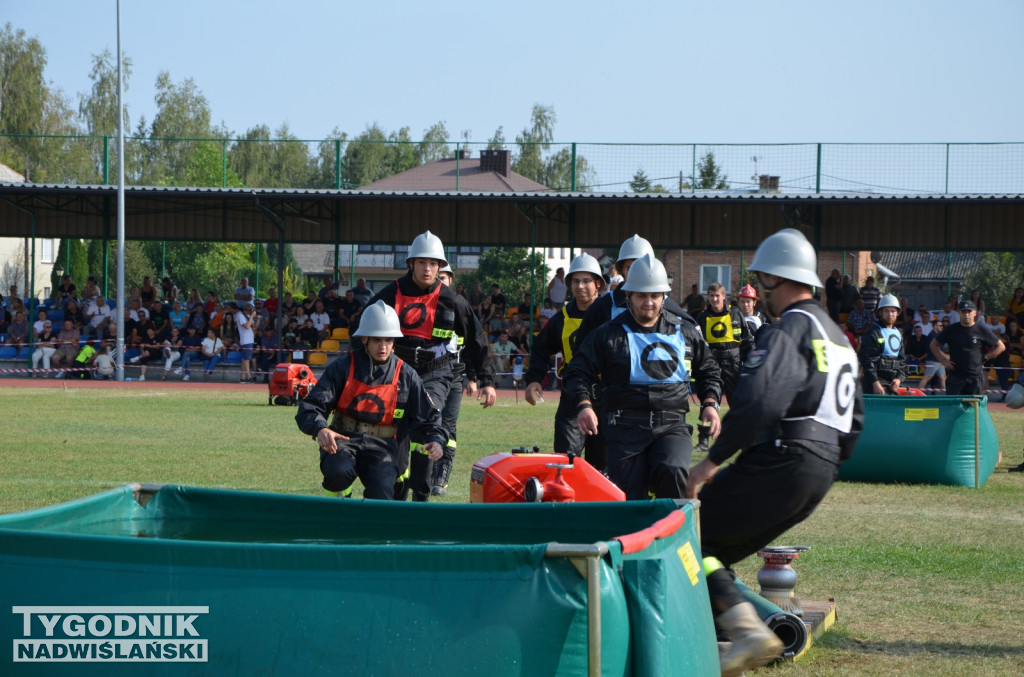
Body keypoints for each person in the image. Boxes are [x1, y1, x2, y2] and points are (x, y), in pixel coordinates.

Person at [686, 228, 863, 677]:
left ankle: (745, 628)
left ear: (774, 279)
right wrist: (821, 464)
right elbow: (855, 424)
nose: (760, 291)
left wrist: (709, 462)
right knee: (713, 548)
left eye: (762, 280)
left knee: (687, 536)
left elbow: (760, 402)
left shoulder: (791, 326)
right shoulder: (840, 340)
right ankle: (740, 624)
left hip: (783, 457)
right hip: (819, 472)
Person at [349, 230, 496, 502]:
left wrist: (486, 380)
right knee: (397, 430)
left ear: (440, 266)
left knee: (428, 421)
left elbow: (476, 339)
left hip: (436, 372)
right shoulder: (389, 295)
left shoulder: (454, 301)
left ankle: (422, 495)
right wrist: (362, 368)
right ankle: (398, 479)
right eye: (421, 262)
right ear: (411, 263)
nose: (427, 268)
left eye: (432, 263)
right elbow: (360, 330)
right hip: (397, 373)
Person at [565, 254, 723, 500]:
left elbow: (709, 369)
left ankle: (671, 536)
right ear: (629, 296)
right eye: (641, 295)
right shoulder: (607, 334)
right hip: (623, 427)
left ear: (664, 297)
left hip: (672, 425)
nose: (648, 302)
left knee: (673, 474)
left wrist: (710, 403)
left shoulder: (686, 332)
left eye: (654, 296)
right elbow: (577, 371)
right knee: (628, 494)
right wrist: (584, 405)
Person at [296, 301, 448, 500]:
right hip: (342, 441)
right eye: (377, 340)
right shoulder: (342, 367)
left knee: (382, 494)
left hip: (383, 446)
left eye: (388, 340)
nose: (383, 347)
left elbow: (429, 415)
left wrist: (436, 440)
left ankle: (370, 529)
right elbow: (310, 406)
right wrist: (320, 429)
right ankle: (339, 501)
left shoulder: (406, 375)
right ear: (365, 339)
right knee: (338, 472)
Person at [525, 253, 608, 467]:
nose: (581, 286)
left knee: (603, 468)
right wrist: (534, 379)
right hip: (572, 399)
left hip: (607, 399)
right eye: (576, 281)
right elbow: (541, 348)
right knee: (566, 463)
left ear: (598, 283)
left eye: (587, 280)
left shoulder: (611, 315)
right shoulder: (561, 318)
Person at [694, 282, 751, 451]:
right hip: (712, 367)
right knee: (708, 403)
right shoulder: (702, 318)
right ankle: (703, 440)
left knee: (738, 405)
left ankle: (743, 439)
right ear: (708, 297)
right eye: (711, 296)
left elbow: (747, 341)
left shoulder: (735, 313)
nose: (714, 299)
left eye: (717, 295)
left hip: (733, 367)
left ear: (724, 296)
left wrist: (751, 364)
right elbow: (698, 344)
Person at [931, 300, 1004, 396]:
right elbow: (933, 345)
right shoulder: (951, 329)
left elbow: (1001, 347)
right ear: (959, 313)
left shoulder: (982, 329)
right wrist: (943, 360)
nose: (966, 315)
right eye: (963, 312)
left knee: (974, 408)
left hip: (975, 376)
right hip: (955, 376)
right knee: (953, 407)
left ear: (974, 313)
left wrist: (985, 358)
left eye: (969, 312)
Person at [858, 294, 907, 395]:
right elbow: (867, 360)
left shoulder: (898, 333)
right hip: (875, 384)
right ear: (880, 312)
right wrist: (875, 382)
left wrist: (899, 379)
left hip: (893, 384)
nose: (890, 314)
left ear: (897, 313)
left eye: (893, 311)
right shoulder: (872, 332)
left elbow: (902, 360)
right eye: (886, 311)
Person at [735, 284, 767, 361]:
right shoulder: (734, 318)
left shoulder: (761, 319)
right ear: (739, 302)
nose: (745, 304)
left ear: (754, 302)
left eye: (748, 301)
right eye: (742, 301)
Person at [918, 318, 947, 392]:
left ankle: (947, 394)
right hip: (933, 360)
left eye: (942, 325)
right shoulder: (932, 336)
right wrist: (946, 357)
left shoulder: (936, 335)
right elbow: (937, 349)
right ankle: (917, 392)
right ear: (935, 327)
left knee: (943, 377)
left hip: (939, 360)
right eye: (940, 325)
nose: (942, 327)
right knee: (927, 377)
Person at [236, 303, 257, 383]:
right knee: (247, 360)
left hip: (249, 340)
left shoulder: (246, 316)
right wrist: (251, 316)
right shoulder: (240, 315)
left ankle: (243, 377)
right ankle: (248, 377)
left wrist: (255, 318)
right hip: (246, 340)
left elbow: (253, 325)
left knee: (244, 359)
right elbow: (247, 326)